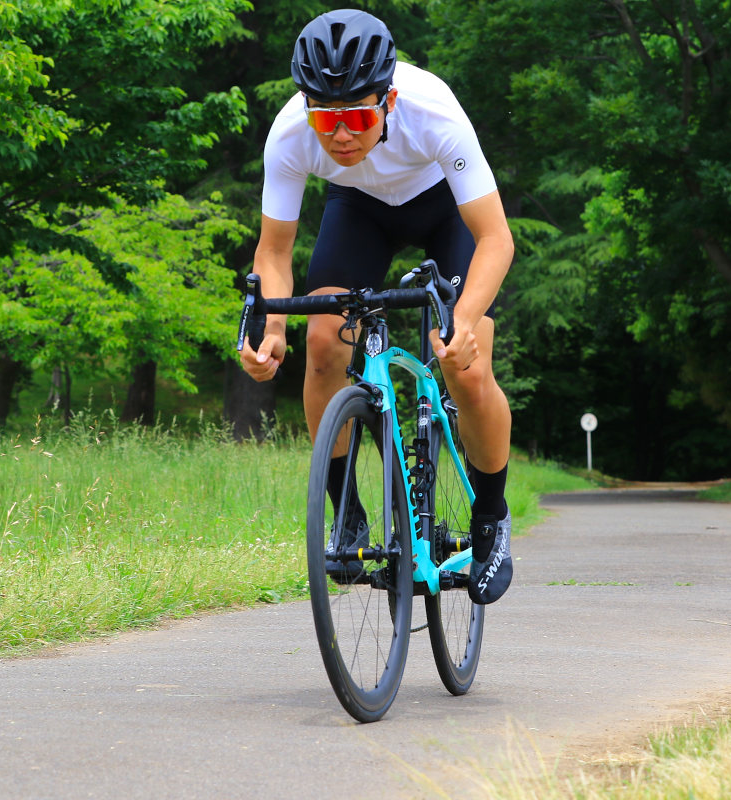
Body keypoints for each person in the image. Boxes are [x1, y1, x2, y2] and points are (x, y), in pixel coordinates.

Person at [239, 9, 515, 605]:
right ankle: (346, 513)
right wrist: (271, 328)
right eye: (326, 119)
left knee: (465, 362)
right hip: (358, 210)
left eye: (358, 117)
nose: (340, 136)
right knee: (321, 343)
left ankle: (492, 517)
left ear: (388, 99)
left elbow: (496, 238)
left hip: (443, 208)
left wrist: (463, 322)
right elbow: (274, 249)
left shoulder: (433, 108)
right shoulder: (289, 133)